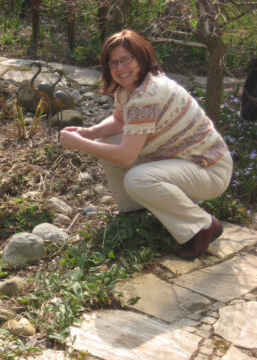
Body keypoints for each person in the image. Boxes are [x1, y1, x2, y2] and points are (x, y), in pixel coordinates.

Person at [59, 29, 233, 260]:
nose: (120, 69)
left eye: (126, 60)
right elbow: (120, 121)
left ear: (141, 58)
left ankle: (202, 226)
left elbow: (126, 157)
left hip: (209, 169)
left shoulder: (148, 95)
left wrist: (79, 144)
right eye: (114, 63)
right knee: (107, 140)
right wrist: (88, 132)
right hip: (182, 162)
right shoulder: (129, 89)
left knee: (139, 179)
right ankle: (134, 212)